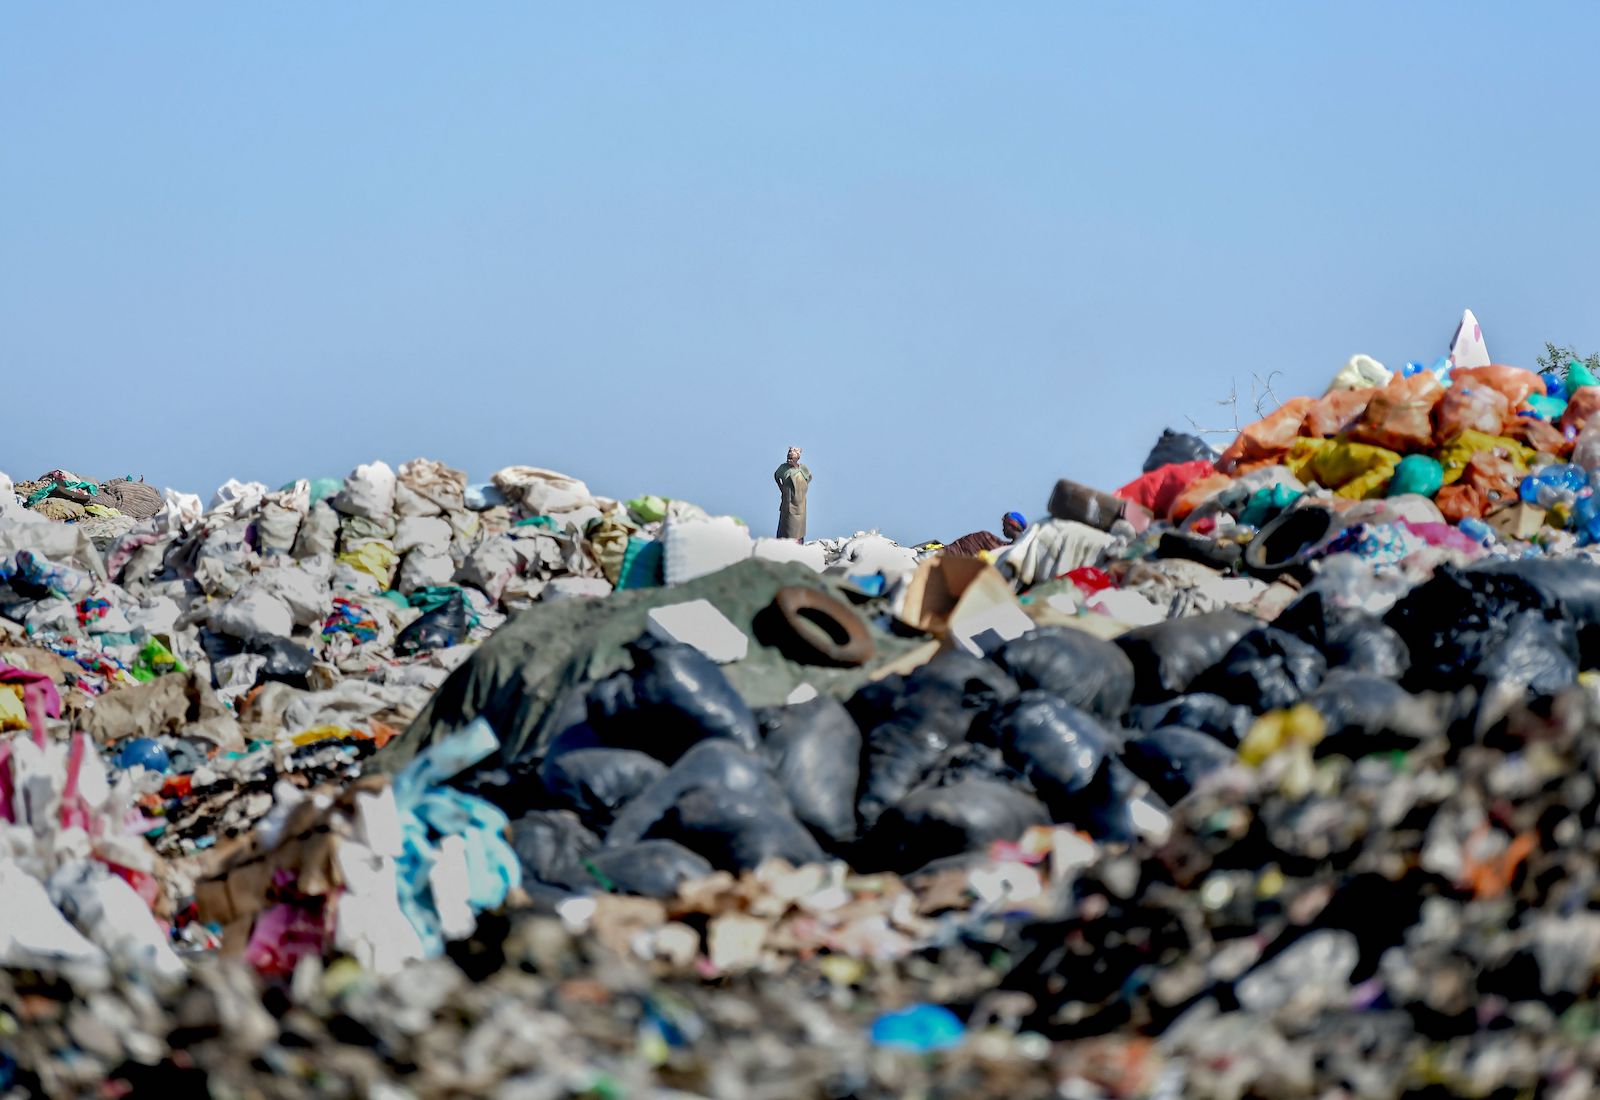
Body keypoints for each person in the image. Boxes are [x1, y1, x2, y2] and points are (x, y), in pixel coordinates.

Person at [774, 446, 812, 540]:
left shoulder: (803, 468)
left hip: (800, 503)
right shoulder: (783, 468)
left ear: (797, 458)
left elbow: (809, 477)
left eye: (792, 458)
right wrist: (781, 488)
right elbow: (776, 476)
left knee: (799, 529)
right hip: (788, 501)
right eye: (788, 457)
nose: (789, 459)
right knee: (786, 526)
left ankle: (798, 545)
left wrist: (803, 488)